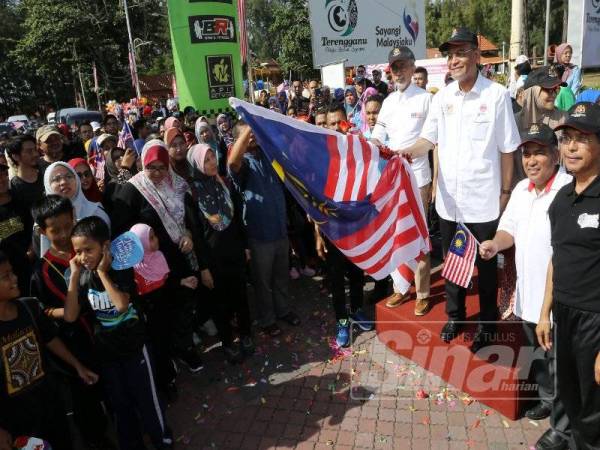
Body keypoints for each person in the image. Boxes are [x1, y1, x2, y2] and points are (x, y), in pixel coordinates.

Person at [399, 27, 521, 351]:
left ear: (476, 57)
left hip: (484, 201)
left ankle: (487, 323)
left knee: (484, 267)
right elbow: (429, 139)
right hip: (449, 202)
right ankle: (455, 315)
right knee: (453, 262)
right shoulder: (442, 98)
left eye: (461, 52)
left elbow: (509, 148)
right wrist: (406, 151)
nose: (454, 60)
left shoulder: (496, 96)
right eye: (450, 54)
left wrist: (506, 193)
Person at [479, 124, 571, 450]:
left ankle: (564, 427)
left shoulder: (569, 190)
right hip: (528, 296)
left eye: (539, 153)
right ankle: (547, 399)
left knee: (563, 362)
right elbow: (509, 231)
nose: (531, 160)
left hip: (558, 299)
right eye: (526, 153)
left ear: (555, 155)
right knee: (540, 357)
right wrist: (494, 244)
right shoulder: (521, 189)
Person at [64, 217, 173, 450]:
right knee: (121, 404)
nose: (83, 257)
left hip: (134, 348)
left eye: (88, 250)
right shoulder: (83, 276)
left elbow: (122, 304)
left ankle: (162, 439)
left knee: (147, 400)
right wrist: (73, 277)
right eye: (78, 252)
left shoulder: (121, 268)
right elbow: (71, 316)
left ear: (105, 246)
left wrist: (103, 273)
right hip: (108, 353)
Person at [536, 102, 600, 450]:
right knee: (571, 398)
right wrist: (546, 311)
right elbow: (556, 257)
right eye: (567, 139)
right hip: (564, 315)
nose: (571, 147)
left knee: (594, 411)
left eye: (582, 139)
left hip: (595, 322)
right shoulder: (561, 197)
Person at [111, 140, 206, 372]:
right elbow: (120, 230)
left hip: (180, 257)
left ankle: (184, 348)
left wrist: (188, 235)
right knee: (162, 313)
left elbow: (191, 220)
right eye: (150, 167)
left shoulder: (178, 185)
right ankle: (169, 355)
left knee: (184, 304)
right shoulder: (133, 189)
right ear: (142, 164)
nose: (156, 173)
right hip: (151, 266)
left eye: (161, 167)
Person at [29, 195, 110, 448]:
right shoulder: (41, 272)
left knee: (114, 391)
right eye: (56, 230)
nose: (65, 234)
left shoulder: (87, 249)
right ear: (43, 231)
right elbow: (42, 314)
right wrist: (62, 313)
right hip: (74, 348)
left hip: (106, 337)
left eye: (68, 225)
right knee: (86, 406)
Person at [0, 249, 100, 450]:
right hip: (16, 425)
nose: (15, 278)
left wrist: (77, 366)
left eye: (12, 272)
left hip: (50, 407)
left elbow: (50, 339)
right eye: (5, 276)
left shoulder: (29, 308)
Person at [371, 46, 433, 316]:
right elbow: (377, 135)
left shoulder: (426, 99)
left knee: (419, 234)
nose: (398, 72)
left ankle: (423, 292)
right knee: (397, 232)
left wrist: (406, 154)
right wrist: (370, 145)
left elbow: (431, 141)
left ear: (412, 66)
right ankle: (400, 287)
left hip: (418, 177)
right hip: (393, 179)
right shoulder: (388, 102)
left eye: (403, 66)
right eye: (394, 67)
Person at [228, 121, 300, 337]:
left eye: (254, 132)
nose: (252, 137)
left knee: (280, 276)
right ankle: (267, 320)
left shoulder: (268, 156)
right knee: (263, 282)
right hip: (259, 235)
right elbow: (233, 161)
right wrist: (251, 124)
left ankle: (284, 310)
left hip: (279, 230)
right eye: (246, 134)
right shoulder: (243, 165)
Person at [188, 144, 253, 363]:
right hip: (213, 259)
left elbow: (238, 219)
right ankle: (227, 342)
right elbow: (197, 234)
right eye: (206, 160)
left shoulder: (224, 183)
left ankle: (246, 335)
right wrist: (203, 268)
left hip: (234, 250)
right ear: (196, 164)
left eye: (212, 157)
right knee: (220, 303)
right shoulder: (193, 193)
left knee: (240, 296)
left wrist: (245, 246)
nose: (212, 162)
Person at [314, 103, 372, 347]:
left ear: (347, 121)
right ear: (325, 125)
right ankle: (342, 322)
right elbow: (313, 200)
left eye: (340, 121)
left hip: (355, 226)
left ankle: (357, 309)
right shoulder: (319, 156)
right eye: (331, 123)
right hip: (332, 229)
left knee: (357, 273)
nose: (336, 126)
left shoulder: (358, 150)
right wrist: (318, 232)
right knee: (337, 281)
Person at [129, 223, 179, 400]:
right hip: (148, 319)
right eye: (149, 238)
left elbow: (167, 282)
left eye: (154, 236)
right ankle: (162, 384)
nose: (154, 241)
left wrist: (181, 283)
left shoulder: (158, 256)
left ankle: (168, 378)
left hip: (163, 312)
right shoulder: (134, 269)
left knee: (165, 346)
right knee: (155, 351)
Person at [43, 162, 109, 227]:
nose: (64, 182)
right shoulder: (44, 221)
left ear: (76, 180)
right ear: (48, 186)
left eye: (68, 176)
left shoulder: (96, 211)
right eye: (56, 179)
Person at [0, 162, 31, 295]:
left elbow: (31, 228)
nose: (2, 179)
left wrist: (31, 250)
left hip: (26, 265)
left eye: (4, 175)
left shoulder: (19, 200)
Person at [6, 135, 44, 234]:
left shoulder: (46, 174)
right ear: (16, 156)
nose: (35, 154)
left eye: (35, 149)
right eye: (29, 151)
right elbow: (13, 225)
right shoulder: (13, 188)